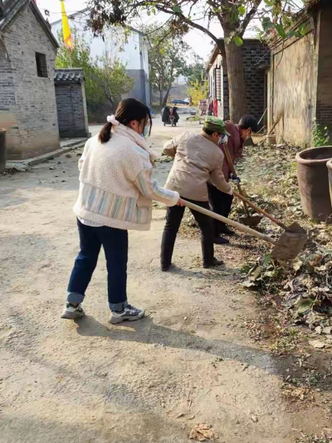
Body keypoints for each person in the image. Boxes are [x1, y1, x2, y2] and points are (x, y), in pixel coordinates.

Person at [62, 98, 182, 324]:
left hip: (85, 211)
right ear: (135, 124)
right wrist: (174, 198)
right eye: (145, 122)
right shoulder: (132, 151)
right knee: (116, 263)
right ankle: (119, 309)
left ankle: (72, 303)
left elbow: (82, 166)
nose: (146, 127)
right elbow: (148, 188)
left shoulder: (95, 139)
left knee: (85, 256)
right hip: (110, 218)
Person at [161, 116, 233, 271]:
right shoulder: (217, 153)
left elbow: (167, 147)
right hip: (195, 192)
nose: (222, 139)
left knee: (170, 226)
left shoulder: (186, 135)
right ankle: (208, 260)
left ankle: (164, 263)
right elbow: (217, 180)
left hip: (175, 187)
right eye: (221, 135)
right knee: (206, 227)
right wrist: (229, 189)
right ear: (214, 135)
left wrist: (181, 159)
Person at [207, 115, 258, 244]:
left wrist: (231, 175)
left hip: (224, 174)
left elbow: (232, 160)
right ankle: (213, 234)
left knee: (227, 198)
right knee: (216, 204)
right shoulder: (229, 129)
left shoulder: (240, 142)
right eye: (249, 133)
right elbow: (221, 124)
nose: (248, 137)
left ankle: (222, 225)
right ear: (248, 130)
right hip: (212, 173)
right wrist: (222, 133)